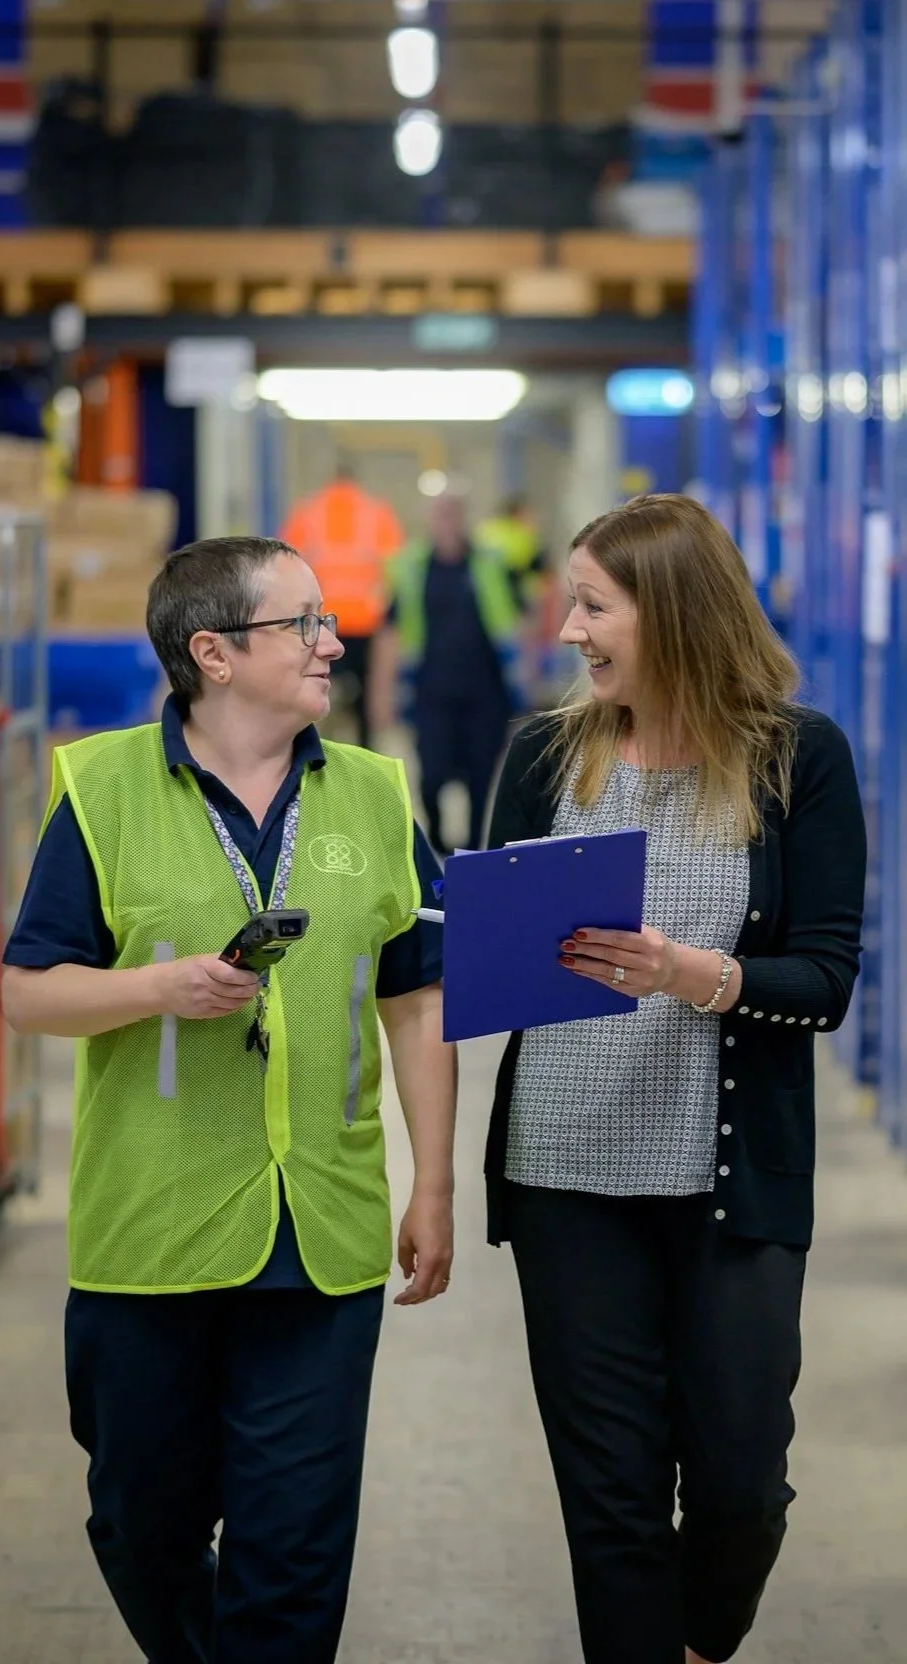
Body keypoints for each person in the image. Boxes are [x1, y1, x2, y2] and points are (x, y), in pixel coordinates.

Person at [1, 535, 456, 1664]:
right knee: (142, 1526)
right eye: (301, 621)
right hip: (150, 1229)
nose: (330, 639)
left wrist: (433, 1180)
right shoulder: (101, 790)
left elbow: (415, 999)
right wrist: (155, 985)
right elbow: (25, 991)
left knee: (292, 1548)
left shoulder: (371, 792)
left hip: (323, 1231)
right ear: (213, 651)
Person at [484, 494, 866, 1664]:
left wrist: (689, 971)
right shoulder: (544, 753)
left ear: (677, 613)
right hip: (565, 1175)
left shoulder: (800, 756)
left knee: (744, 1482)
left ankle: (701, 1642)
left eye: (593, 605)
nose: (567, 629)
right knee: (613, 1500)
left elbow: (825, 979)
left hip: (728, 1186)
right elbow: (496, 964)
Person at [373, 491, 524, 855]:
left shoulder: (489, 563)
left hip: (485, 689)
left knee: (481, 774)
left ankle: (473, 850)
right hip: (431, 689)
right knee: (433, 773)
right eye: (440, 512)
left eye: (454, 512)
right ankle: (439, 835)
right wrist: (381, 694)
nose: (447, 520)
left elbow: (521, 619)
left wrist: (528, 676)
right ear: (428, 518)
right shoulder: (411, 566)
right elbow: (390, 633)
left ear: (464, 516)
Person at [282, 464, 404, 748]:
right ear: (355, 481)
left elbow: (285, 564)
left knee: (315, 688)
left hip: (320, 620)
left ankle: (315, 750)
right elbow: (394, 566)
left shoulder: (307, 511)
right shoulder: (376, 512)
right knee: (364, 696)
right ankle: (363, 750)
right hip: (366, 618)